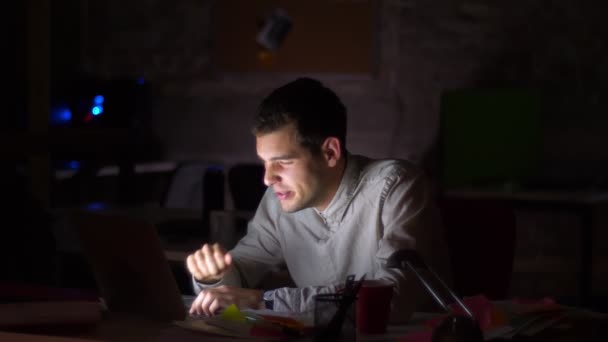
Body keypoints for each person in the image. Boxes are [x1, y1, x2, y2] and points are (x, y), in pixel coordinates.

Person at [186, 77, 451, 322]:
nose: (267, 178)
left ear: (330, 152)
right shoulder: (278, 198)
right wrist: (215, 278)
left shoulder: (397, 185)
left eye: (283, 162)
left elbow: (391, 298)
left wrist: (264, 301)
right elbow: (242, 270)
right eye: (265, 163)